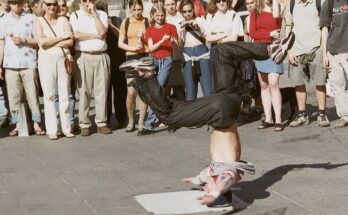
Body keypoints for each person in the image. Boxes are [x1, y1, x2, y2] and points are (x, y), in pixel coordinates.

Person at [119, 35, 294, 205]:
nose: (206, 188)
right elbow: (227, 178)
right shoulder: (226, 172)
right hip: (222, 110)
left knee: (221, 51)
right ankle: (148, 73)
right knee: (170, 115)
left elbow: (208, 177)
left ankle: (270, 48)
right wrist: (215, 193)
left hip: (230, 98)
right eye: (207, 188)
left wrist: (196, 180)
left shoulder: (215, 169)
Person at [0, 0, 45, 136]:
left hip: (29, 62)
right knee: (13, 96)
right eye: (13, 3)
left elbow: (38, 40)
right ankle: (18, 124)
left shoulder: (32, 18)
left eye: (19, 2)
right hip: (10, 63)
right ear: (10, 4)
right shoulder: (3, 20)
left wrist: (24, 40)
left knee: (32, 94)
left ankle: (36, 123)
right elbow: (1, 43)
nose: (16, 6)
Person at [285, 0, 330, 127]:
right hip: (296, 50)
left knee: (320, 82)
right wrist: (289, 51)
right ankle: (302, 115)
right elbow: (288, 28)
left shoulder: (318, 2)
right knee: (298, 83)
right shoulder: (292, 4)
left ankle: (322, 114)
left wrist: (322, 48)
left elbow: (324, 25)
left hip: (316, 49)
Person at [70, 0, 112, 136]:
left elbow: (103, 32)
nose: (88, 2)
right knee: (84, 92)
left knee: (102, 91)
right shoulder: (75, 15)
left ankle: (101, 122)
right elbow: (76, 35)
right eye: (85, 0)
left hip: (101, 55)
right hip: (83, 56)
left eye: (91, 0)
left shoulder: (102, 14)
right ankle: (84, 123)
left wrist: (94, 15)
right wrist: (94, 36)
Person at [35, 0, 75, 139]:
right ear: (44, 5)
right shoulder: (39, 20)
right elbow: (41, 42)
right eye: (48, 4)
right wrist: (61, 37)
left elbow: (70, 42)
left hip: (63, 59)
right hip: (46, 61)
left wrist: (51, 40)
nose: (52, 6)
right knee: (49, 95)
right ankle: (52, 129)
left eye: (54, 4)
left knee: (65, 93)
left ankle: (66, 128)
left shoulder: (63, 20)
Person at [140, 3, 179, 135]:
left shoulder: (171, 27)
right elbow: (151, 48)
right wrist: (162, 40)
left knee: (158, 90)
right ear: (152, 15)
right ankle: (170, 119)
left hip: (166, 59)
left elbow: (177, 46)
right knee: (154, 92)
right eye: (157, 15)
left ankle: (149, 124)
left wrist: (173, 41)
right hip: (154, 60)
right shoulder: (150, 29)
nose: (160, 17)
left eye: (162, 15)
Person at [249, 0, 285, 131]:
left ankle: (279, 120)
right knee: (264, 86)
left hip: (275, 50)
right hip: (260, 50)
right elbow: (252, 33)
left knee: (273, 83)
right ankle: (268, 118)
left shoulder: (278, 7)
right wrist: (269, 34)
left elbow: (278, 22)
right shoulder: (255, 12)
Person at [118, 0, 149, 134]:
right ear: (130, 9)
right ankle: (131, 120)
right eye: (135, 9)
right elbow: (120, 43)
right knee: (131, 92)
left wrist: (143, 38)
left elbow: (151, 40)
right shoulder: (126, 22)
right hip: (131, 57)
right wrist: (132, 48)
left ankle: (141, 121)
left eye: (139, 9)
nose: (137, 12)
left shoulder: (147, 21)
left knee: (144, 91)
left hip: (144, 56)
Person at [96, 1, 128, 129]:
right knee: (105, 92)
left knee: (120, 91)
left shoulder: (116, 20)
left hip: (118, 60)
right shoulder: (95, 23)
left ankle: (122, 119)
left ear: (107, 9)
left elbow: (123, 36)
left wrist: (110, 25)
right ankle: (106, 120)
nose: (101, 11)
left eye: (102, 9)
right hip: (104, 60)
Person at [320, 0, 348, 128]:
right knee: (337, 85)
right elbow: (324, 28)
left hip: (346, 50)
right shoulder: (328, 3)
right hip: (332, 50)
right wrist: (325, 54)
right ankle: (344, 115)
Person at [180, 0, 212, 101]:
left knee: (207, 87)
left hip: (202, 52)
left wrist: (197, 26)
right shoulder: (180, 23)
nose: (187, 14)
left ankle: (211, 113)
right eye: (184, 12)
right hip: (188, 55)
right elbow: (180, 45)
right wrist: (180, 32)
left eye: (189, 11)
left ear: (193, 10)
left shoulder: (201, 20)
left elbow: (208, 37)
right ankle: (193, 115)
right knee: (190, 89)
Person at [54, 0, 77, 133]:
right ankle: (58, 123)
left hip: (70, 59)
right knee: (57, 93)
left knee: (70, 93)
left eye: (64, 6)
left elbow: (71, 41)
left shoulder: (71, 20)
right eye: (59, 6)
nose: (62, 8)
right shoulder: (52, 21)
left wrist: (54, 42)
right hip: (55, 59)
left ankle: (70, 121)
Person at [164, 0, 186, 103]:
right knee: (166, 86)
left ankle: (180, 110)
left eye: (172, 4)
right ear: (164, 6)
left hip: (178, 55)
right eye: (168, 5)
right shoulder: (163, 18)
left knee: (178, 86)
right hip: (166, 56)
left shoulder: (182, 17)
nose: (170, 7)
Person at [0, 0, 10, 128]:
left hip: (15, 55)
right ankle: (3, 114)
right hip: (1, 54)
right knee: (1, 88)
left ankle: (17, 116)